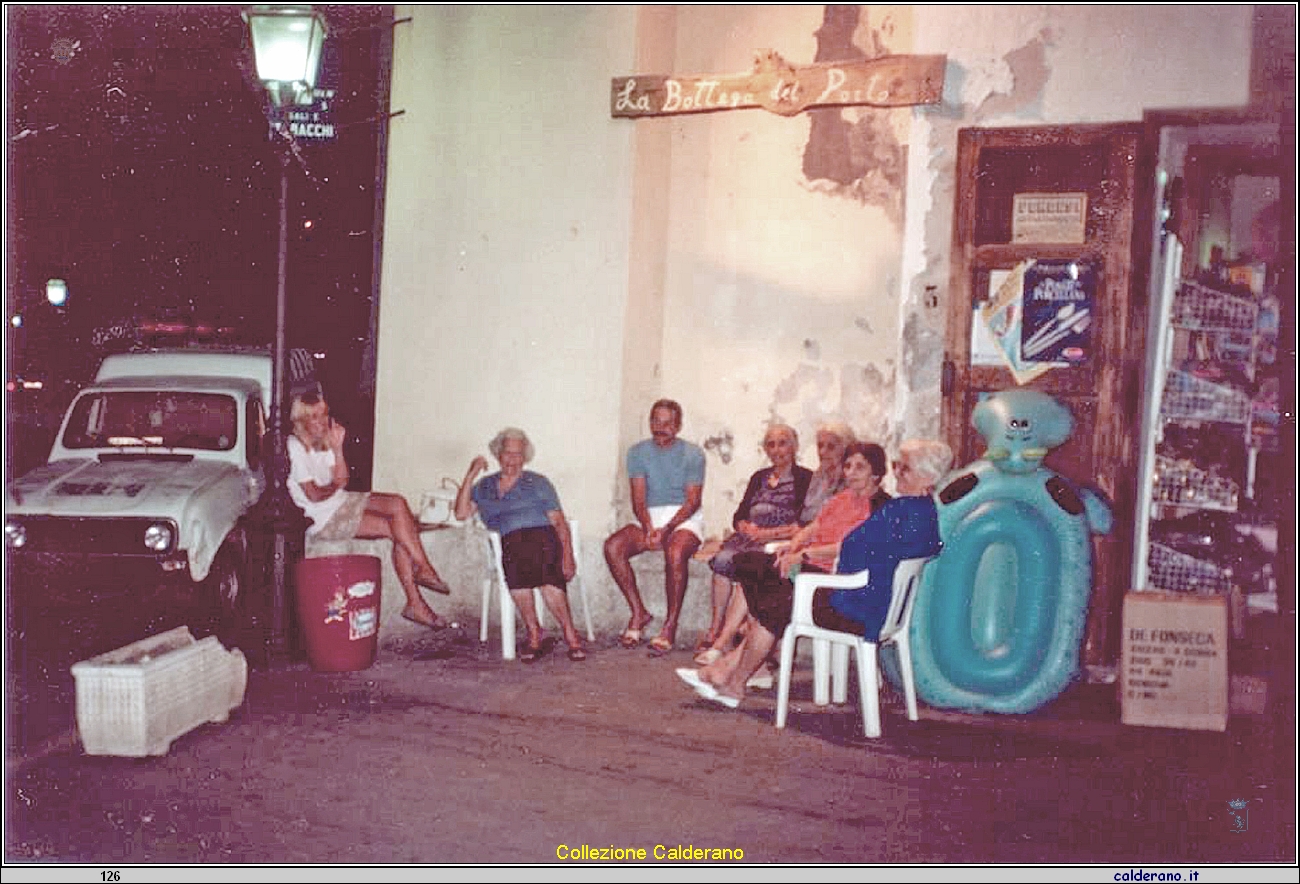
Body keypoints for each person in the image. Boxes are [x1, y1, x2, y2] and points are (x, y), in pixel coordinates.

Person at [675, 438, 953, 709]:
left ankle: (731, 680)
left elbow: (852, 549)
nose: (897, 472)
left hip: (856, 606)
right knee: (770, 593)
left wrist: (808, 557)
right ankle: (726, 673)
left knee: (773, 603)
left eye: (905, 467)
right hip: (865, 600)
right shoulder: (919, 511)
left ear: (927, 477)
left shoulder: (900, 512)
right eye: (897, 465)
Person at [288, 391, 451, 631]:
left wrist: (338, 449)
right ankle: (417, 596)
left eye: (324, 415)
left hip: (339, 501)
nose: (322, 421)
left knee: (397, 504)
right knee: (399, 531)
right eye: (314, 417)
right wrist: (334, 487)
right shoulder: (294, 446)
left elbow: (342, 480)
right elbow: (314, 494)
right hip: (321, 518)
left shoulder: (323, 441)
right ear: (301, 420)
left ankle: (422, 576)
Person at [453, 427, 585, 662]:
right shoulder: (484, 486)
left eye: (518, 454)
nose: (512, 459)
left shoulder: (538, 482)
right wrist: (471, 474)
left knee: (536, 564)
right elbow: (461, 513)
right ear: (498, 454)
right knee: (516, 551)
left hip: (543, 539)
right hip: (510, 545)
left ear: (525, 458)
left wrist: (568, 556)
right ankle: (536, 631)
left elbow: (558, 522)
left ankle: (568, 633)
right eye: (507, 453)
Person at [694, 423, 812, 664]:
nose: (777, 450)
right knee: (722, 560)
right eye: (771, 444)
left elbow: (804, 523)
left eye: (783, 443)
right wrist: (745, 528)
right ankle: (716, 630)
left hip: (778, 542)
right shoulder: (759, 477)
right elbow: (739, 515)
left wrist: (768, 534)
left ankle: (746, 636)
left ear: (794, 447)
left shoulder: (805, 478)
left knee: (751, 566)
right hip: (749, 538)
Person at [603, 398, 705, 656]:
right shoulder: (637, 453)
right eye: (656, 422)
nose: (661, 428)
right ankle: (639, 612)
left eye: (668, 423)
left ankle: (670, 626)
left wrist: (667, 529)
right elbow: (638, 500)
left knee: (675, 552)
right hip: (649, 516)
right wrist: (649, 528)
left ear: (678, 426)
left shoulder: (693, 454)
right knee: (613, 546)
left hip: (683, 517)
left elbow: (692, 502)